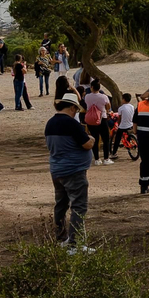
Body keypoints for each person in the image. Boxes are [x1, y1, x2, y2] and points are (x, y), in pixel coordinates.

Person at [40, 90, 95, 251]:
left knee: (61, 205)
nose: (76, 112)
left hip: (57, 169)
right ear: (72, 107)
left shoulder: (50, 123)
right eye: (76, 109)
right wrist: (91, 139)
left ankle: (61, 238)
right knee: (79, 206)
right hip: (73, 170)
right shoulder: (71, 124)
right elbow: (87, 144)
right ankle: (75, 244)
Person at [83, 79, 113, 164]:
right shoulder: (103, 97)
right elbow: (108, 106)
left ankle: (97, 159)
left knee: (94, 138)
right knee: (105, 139)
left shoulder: (87, 96)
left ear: (92, 87)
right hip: (102, 118)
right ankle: (106, 158)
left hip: (91, 119)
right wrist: (106, 111)